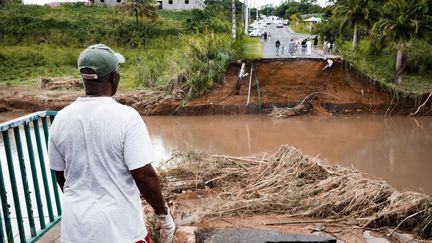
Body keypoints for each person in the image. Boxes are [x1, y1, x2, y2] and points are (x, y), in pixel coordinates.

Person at [48, 44, 175, 243]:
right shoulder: (127, 117)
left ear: (84, 78)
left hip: (76, 230)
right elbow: (143, 175)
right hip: (119, 230)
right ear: (114, 77)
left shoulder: (61, 119)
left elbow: (61, 176)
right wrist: (162, 214)